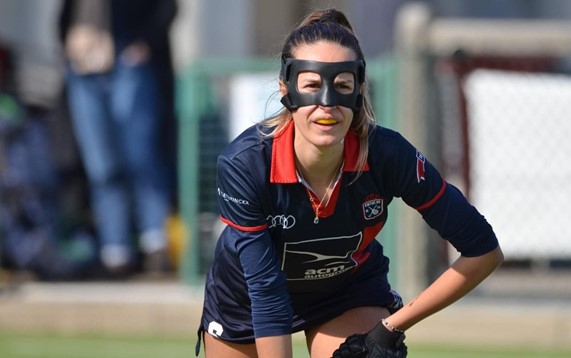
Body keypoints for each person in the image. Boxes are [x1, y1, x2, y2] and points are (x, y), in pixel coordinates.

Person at [197, 8, 504, 358]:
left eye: (341, 86)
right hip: (248, 298)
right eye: (311, 85)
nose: (327, 104)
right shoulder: (245, 164)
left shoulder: (389, 154)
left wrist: (391, 328)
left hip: (345, 294)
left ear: (358, 90)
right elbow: (266, 293)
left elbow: (482, 251)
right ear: (286, 88)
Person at [58, 0, 178, 276]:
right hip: (83, 68)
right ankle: (115, 252)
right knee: (102, 167)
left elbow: (167, 7)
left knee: (141, 157)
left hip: (127, 62)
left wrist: (144, 43)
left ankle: (154, 244)